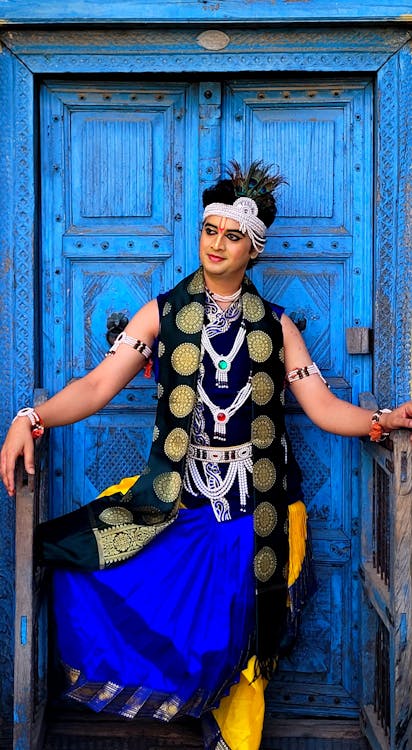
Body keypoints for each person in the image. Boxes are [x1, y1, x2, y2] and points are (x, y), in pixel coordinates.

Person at [1, 161, 412, 750]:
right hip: (180, 499)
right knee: (87, 561)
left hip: (259, 509)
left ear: (253, 248)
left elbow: (321, 407)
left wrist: (382, 420)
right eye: (210, 230)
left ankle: (230, 737)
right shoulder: (162, 314)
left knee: (240, 634)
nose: (217, 243)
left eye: (232, 234)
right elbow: (95, 388)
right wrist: (29, 417)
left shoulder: (276, 327)